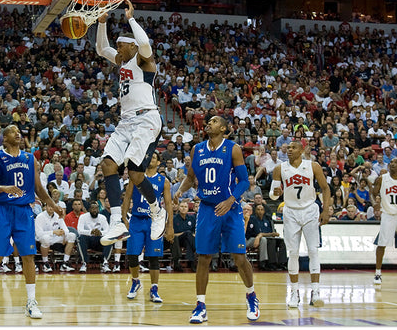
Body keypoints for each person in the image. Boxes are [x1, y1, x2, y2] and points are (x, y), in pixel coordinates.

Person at [174, 116, 260, 323]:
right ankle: (200, 306)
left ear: (223, 128)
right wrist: (180, 190)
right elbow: (190, 177)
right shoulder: (197, 149)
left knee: (239, 257)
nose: (208, 123)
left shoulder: (233, 149)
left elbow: (243, 182)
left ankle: (251, 296)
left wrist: (231, 201)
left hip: (230, 209)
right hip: (207, 209)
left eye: (213, 121)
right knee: (203, 257)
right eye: (208, 121)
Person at [95, 0, 166, 246]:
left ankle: (157, 211)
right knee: (107, 164)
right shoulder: (124, 62)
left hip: (147, 117)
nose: (117, 48)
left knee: (135, 172)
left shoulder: (143, 60)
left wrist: (131, 19)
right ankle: (116, 222)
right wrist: (102, 24)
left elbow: (145, 43)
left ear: (132, 46)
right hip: (126, 121)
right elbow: (101, 50)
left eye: (121, 45)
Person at [0, 125, 63, 318]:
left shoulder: (30, 158)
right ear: (4, 138)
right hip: (2, 209)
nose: (18, 134)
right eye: (13, 131)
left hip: (24, 211)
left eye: (19, 132)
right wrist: (4, 188)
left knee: (28, 256)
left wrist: (52, 204)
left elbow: (38, 188)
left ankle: (31, 302)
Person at [269, 140, 331, 308]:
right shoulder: (279, 169)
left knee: (313, 251)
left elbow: (325, 188)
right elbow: (273, 196)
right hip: (290, 211)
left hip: (310, 210)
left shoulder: (313, 166)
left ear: (302, 150)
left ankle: (316, 291)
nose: (289, 149)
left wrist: (326, 210)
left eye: (293, 147)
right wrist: (276, 193)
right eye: (288, 147)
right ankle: (294, 292)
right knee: (293, 252)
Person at [121, 152, 174, 302]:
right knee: (132, 254)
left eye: (154, 157)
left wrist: (170, 226)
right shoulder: (136, 177)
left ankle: (154, 288)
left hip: (154, 221)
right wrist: (123, 217)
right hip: (137, 220)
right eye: (150, 156)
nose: (151, 158)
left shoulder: (163, 181)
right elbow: (127, 196)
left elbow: (169, 204)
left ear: (159, 163)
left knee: (153, 257)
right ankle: (135, 281)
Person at [35, 203, 77, 272]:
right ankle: (45, 263)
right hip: (42, 239)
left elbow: (66, 229)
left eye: (53, 207)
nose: (51, 208)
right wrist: (53, 232)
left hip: (56, 238)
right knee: (46, 238)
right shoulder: (40, 216)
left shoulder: (58, 216)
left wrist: (64, 234)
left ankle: (65, 263)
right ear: (45, 207)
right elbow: (39, 233)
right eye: (49, 206)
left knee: (72, 235)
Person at [246, 204, 287, 271]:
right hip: (254, 238)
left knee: (281, 241)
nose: (260, 211)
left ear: (264, 211)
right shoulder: (252, 219)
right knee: (269, 241)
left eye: (261, 209)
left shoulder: (267, 220)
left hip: (267, 237)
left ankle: (282, 263)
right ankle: (269, 263)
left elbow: (271, 232)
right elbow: (255, 233)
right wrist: (263, 235)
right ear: (255, 211)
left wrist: (271, 234)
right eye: (258, 209)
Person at [76, 201, 113, 273]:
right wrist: (90, 232)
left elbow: (107, 230)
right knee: (80, 238)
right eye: (92, 208)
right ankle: (84, 263)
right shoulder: (83, 217)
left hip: (99, 240)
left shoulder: (102, 217)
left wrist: (100, 232)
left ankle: (105, 263)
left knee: (109, 239)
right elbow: (79, 230)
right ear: (89, 209)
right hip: (88, 239)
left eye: (96, 208)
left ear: (98, 209)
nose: (94, 210)